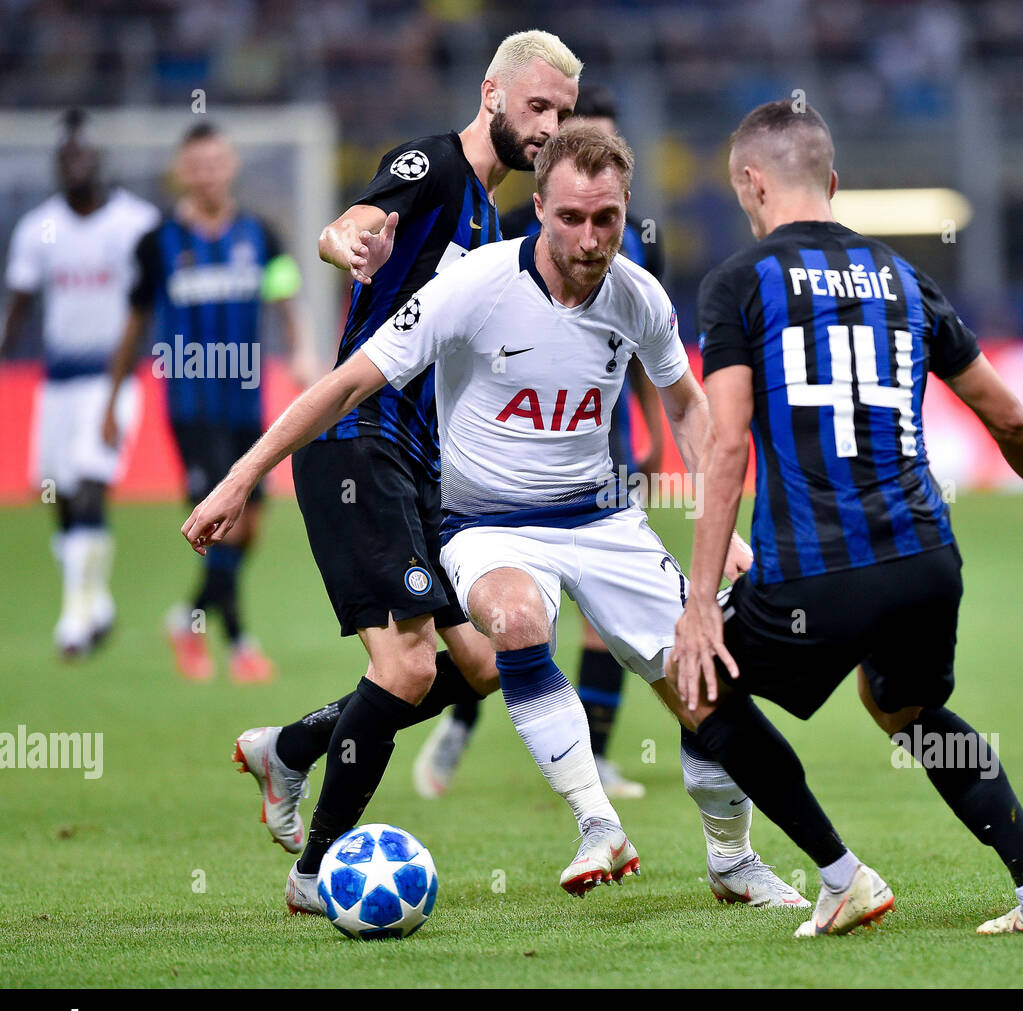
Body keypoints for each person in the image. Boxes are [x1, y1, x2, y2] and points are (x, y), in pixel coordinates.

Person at [219, 34, 798, 913]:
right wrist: (347, 245)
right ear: (491, 92)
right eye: (537, 107)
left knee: (486, 665)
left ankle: (293, 748)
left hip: (429, 466)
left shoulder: (509, 227)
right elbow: (360, 220)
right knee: (410, 668)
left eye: (563, 112)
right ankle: (314, 873)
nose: (550, 125)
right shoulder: (438, 169)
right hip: (361, 445)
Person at [671, 100, 1023, 936]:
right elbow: (1009, 417)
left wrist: (697, 601)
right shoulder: (906, 278)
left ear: (751, 183)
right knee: (907, 709)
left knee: (701, 689)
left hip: (817, 568)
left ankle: (840, 876)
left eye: (741, 190)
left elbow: (727, 449)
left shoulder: (738, 282)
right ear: (832, 181)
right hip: (926, 559)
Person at [415, 84, 665, 801]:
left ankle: (597, 754)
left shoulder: (641, 243)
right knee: (516, 615)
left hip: (602, 445)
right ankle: (464, 716)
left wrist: (647, 430)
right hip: (517, 455)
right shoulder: (513, 238)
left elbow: (651, 348)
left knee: (602, 618)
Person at [103, 122, 313, 683]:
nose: (207, 173)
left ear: (231, 166)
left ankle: (187, 620)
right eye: (195, 165)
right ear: (181, 171)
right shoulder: (158, 244)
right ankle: (239, 642)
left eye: (215, 162)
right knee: (224, 523)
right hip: (190, 403)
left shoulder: (262, 235)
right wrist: (111, 397)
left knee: (254, 525)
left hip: (247, 403)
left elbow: (287, 295)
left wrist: (301, 352)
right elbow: (134, 323)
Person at [1, 110, 159, 658]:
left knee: (93, 485)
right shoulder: (38, 228)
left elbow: (152, 298)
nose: (75, 164)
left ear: (100, 160)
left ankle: (73, 620)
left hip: (112, 379)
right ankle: (98, 605)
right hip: (57, 384)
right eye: (65, 157)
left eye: (83, 155)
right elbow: (18, 305)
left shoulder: (136, 223)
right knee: (63, 498)